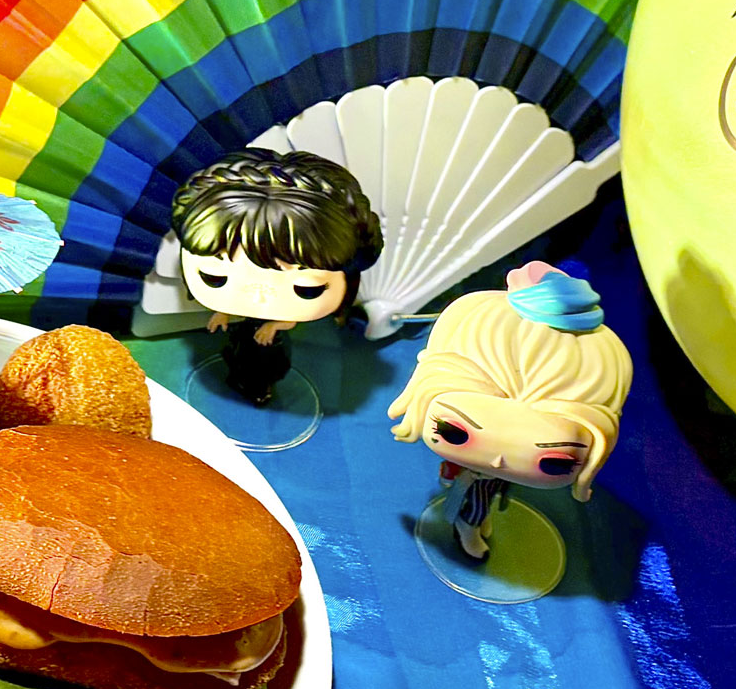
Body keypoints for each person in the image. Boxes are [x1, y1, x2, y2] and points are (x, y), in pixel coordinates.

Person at [387, 262, 632, 557]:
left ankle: (476, 520)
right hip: (471, 479)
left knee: (487, 497)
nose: (498, 459)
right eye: (454, 432)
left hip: (488, 483)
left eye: (554, 462)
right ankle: (468, 525)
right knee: (476, 502)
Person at [169, 148, 383, 405]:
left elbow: (289, 321)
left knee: (265, 364)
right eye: (213, 276)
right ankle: (240, 378)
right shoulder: (245, 305)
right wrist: (223, 312)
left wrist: (274, 325)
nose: (258, 296)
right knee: (238, 353)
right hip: (246, 329)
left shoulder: (283, 314)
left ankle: (261, 388)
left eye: (307, 288)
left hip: (269, 339)